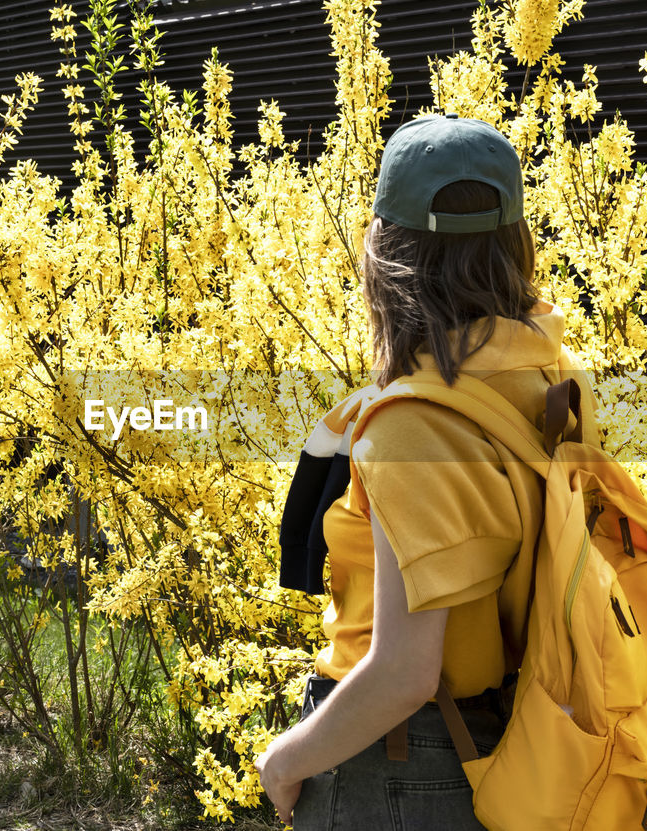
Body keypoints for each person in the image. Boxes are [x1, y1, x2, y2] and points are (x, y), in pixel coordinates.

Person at [255, 115, 601, 829]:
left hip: (402, 762)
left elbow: (405, 673)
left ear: (386, 255)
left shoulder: (414, 424)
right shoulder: (551, 378)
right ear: (516, 245)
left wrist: (287, 759)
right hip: (518, 739)